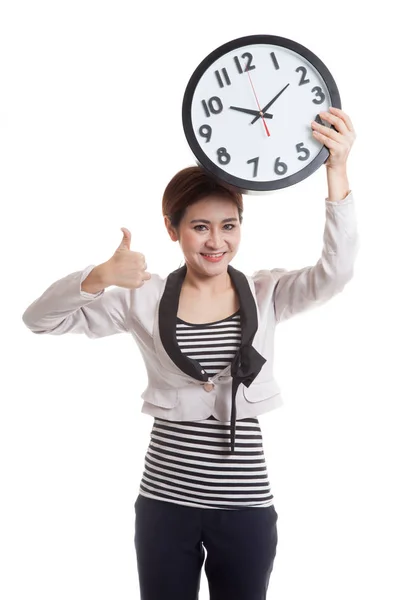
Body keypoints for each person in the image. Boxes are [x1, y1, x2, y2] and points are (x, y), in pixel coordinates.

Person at [22, 107, 358, 600]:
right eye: (200, 227)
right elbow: (39, 320)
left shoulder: (268, 294)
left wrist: (336, 170)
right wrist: (99, 277)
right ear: (172, 228)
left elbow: (336, 273)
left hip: (245, 505)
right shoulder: (143, 297)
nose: (216, 241)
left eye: (229, 225)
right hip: (164, 504)